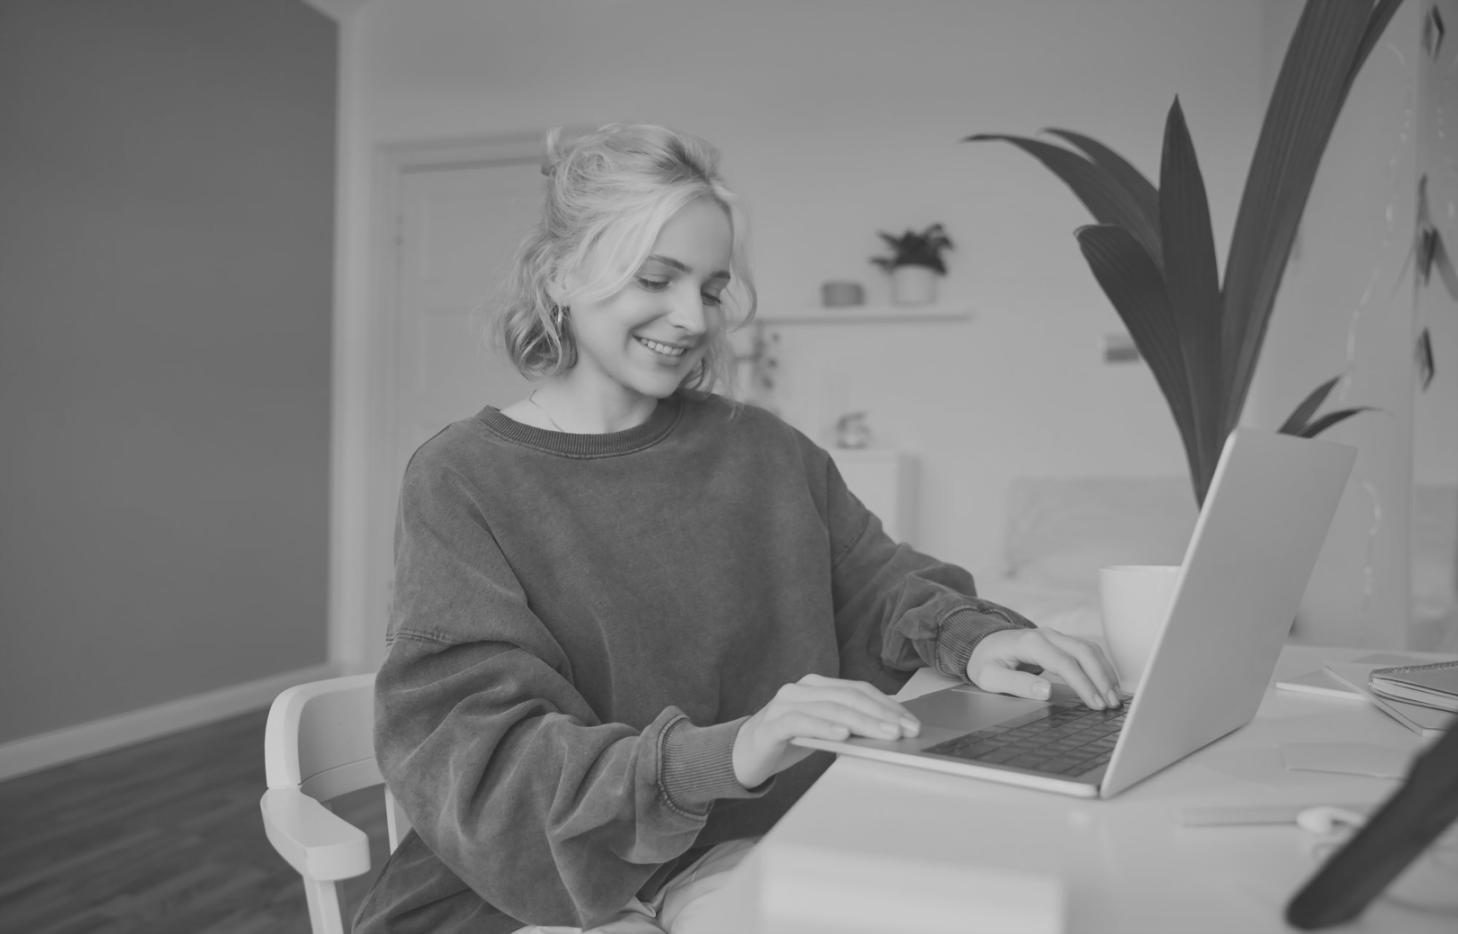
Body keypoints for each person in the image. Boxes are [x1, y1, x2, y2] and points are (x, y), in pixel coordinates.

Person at [353, 123, 1120, 934]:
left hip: (740, 848)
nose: (690, 318)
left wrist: (973, 638)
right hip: (529, 887)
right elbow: (480, 754)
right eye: (657, 278)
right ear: (561, 274)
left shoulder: (764, 450)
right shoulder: (463, 477)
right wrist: (730, 751)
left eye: (711, 289)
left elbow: (878, 585)